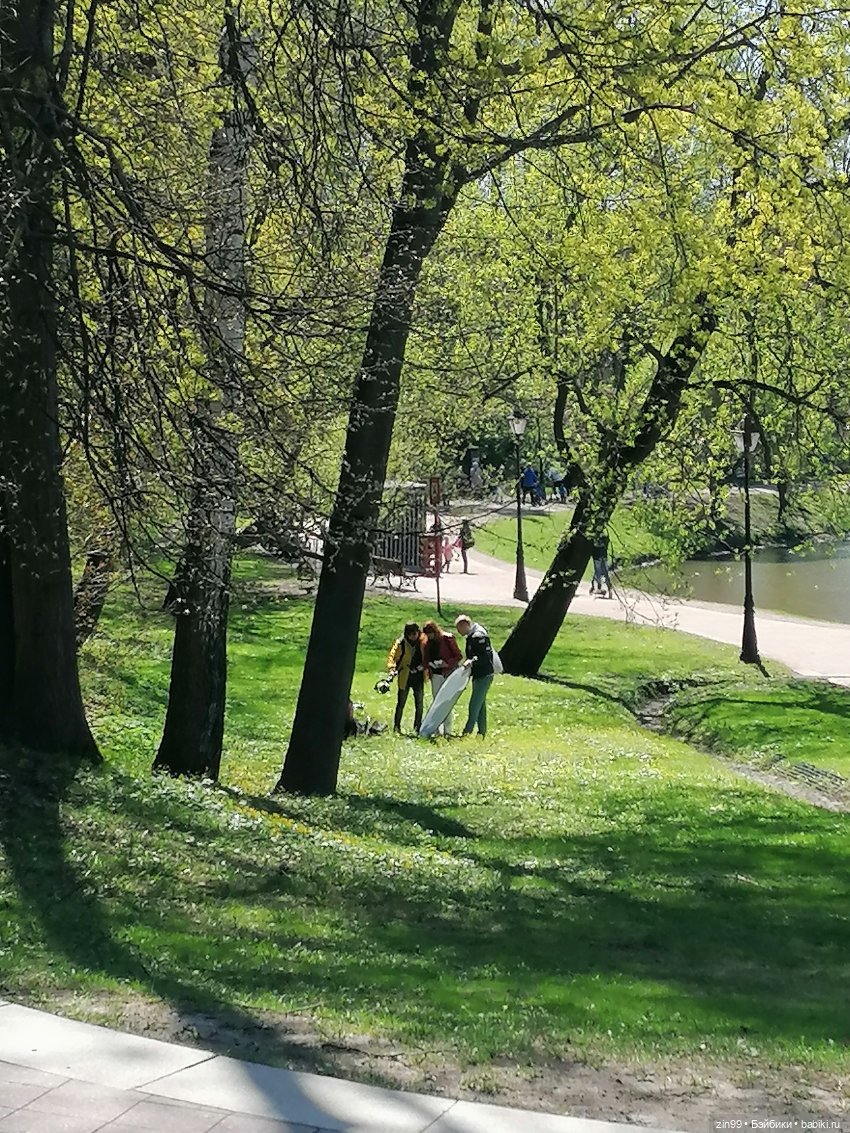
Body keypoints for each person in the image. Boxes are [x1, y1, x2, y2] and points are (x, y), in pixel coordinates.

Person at [454, 614, 495, 737]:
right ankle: (482, 732)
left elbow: (484, 656)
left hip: (484, 674)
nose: (458, 632)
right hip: (477, 674)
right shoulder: (471, 636)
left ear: (465, 625)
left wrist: (472, 661)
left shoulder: (478, 636)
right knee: (480, 704)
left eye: (459, 628)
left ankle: (467, 731)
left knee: (474, 704)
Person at [421, 619, 462, 735]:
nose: (429, 636)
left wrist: (447, 663)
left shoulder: (447, 638)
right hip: (435, 675)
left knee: (446, 701)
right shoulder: (428, 642)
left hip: (447, 674)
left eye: (430, 633)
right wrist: (427, 665)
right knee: (437, 702)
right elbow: (426, 658)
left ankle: (447, 730)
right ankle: (436, 729)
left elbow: (458, 656)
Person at [386, 622, 427, 732]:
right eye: (411, 634)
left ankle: (417, 727)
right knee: (401, 703)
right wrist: (391, 669)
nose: (414, 636)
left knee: (419, 703)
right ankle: (396, 726)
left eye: (415, 633)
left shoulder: (423, 641)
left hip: (419, 676)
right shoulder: (401, 643)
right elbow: (393, 657)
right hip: (405, 676)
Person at [589, 532, 613, 598]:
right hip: (599, 557)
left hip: (600, 557)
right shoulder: (600, 538)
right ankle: (598, 587)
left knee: (601, 572)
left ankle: (604, 587)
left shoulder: (600, 538)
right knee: (599, 572)